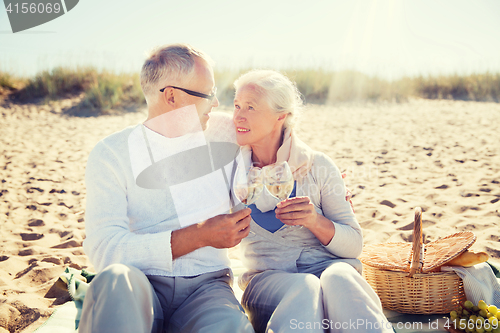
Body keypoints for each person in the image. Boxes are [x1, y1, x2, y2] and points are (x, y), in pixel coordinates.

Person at [80, 44, 255, 333]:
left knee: (231, 328)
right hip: (139, 284)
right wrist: (200, 235)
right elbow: (105, 250)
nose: (216, 103)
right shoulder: (111, 153)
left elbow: (280, 139)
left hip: (209, 288)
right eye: (208, 93)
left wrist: (323, 184)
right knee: (113, 282)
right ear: (172, 96)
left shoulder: (226, 132)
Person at [232, 70, 393, 333]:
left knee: (340, 276)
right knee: (305, 286)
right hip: (266, 282)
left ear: (280, 116)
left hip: (330, 270)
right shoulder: (231, 171)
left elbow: (354, 245)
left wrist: (314, 221)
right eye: (237, 105)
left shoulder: (319, 165)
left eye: (250, 107)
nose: (238, 115)